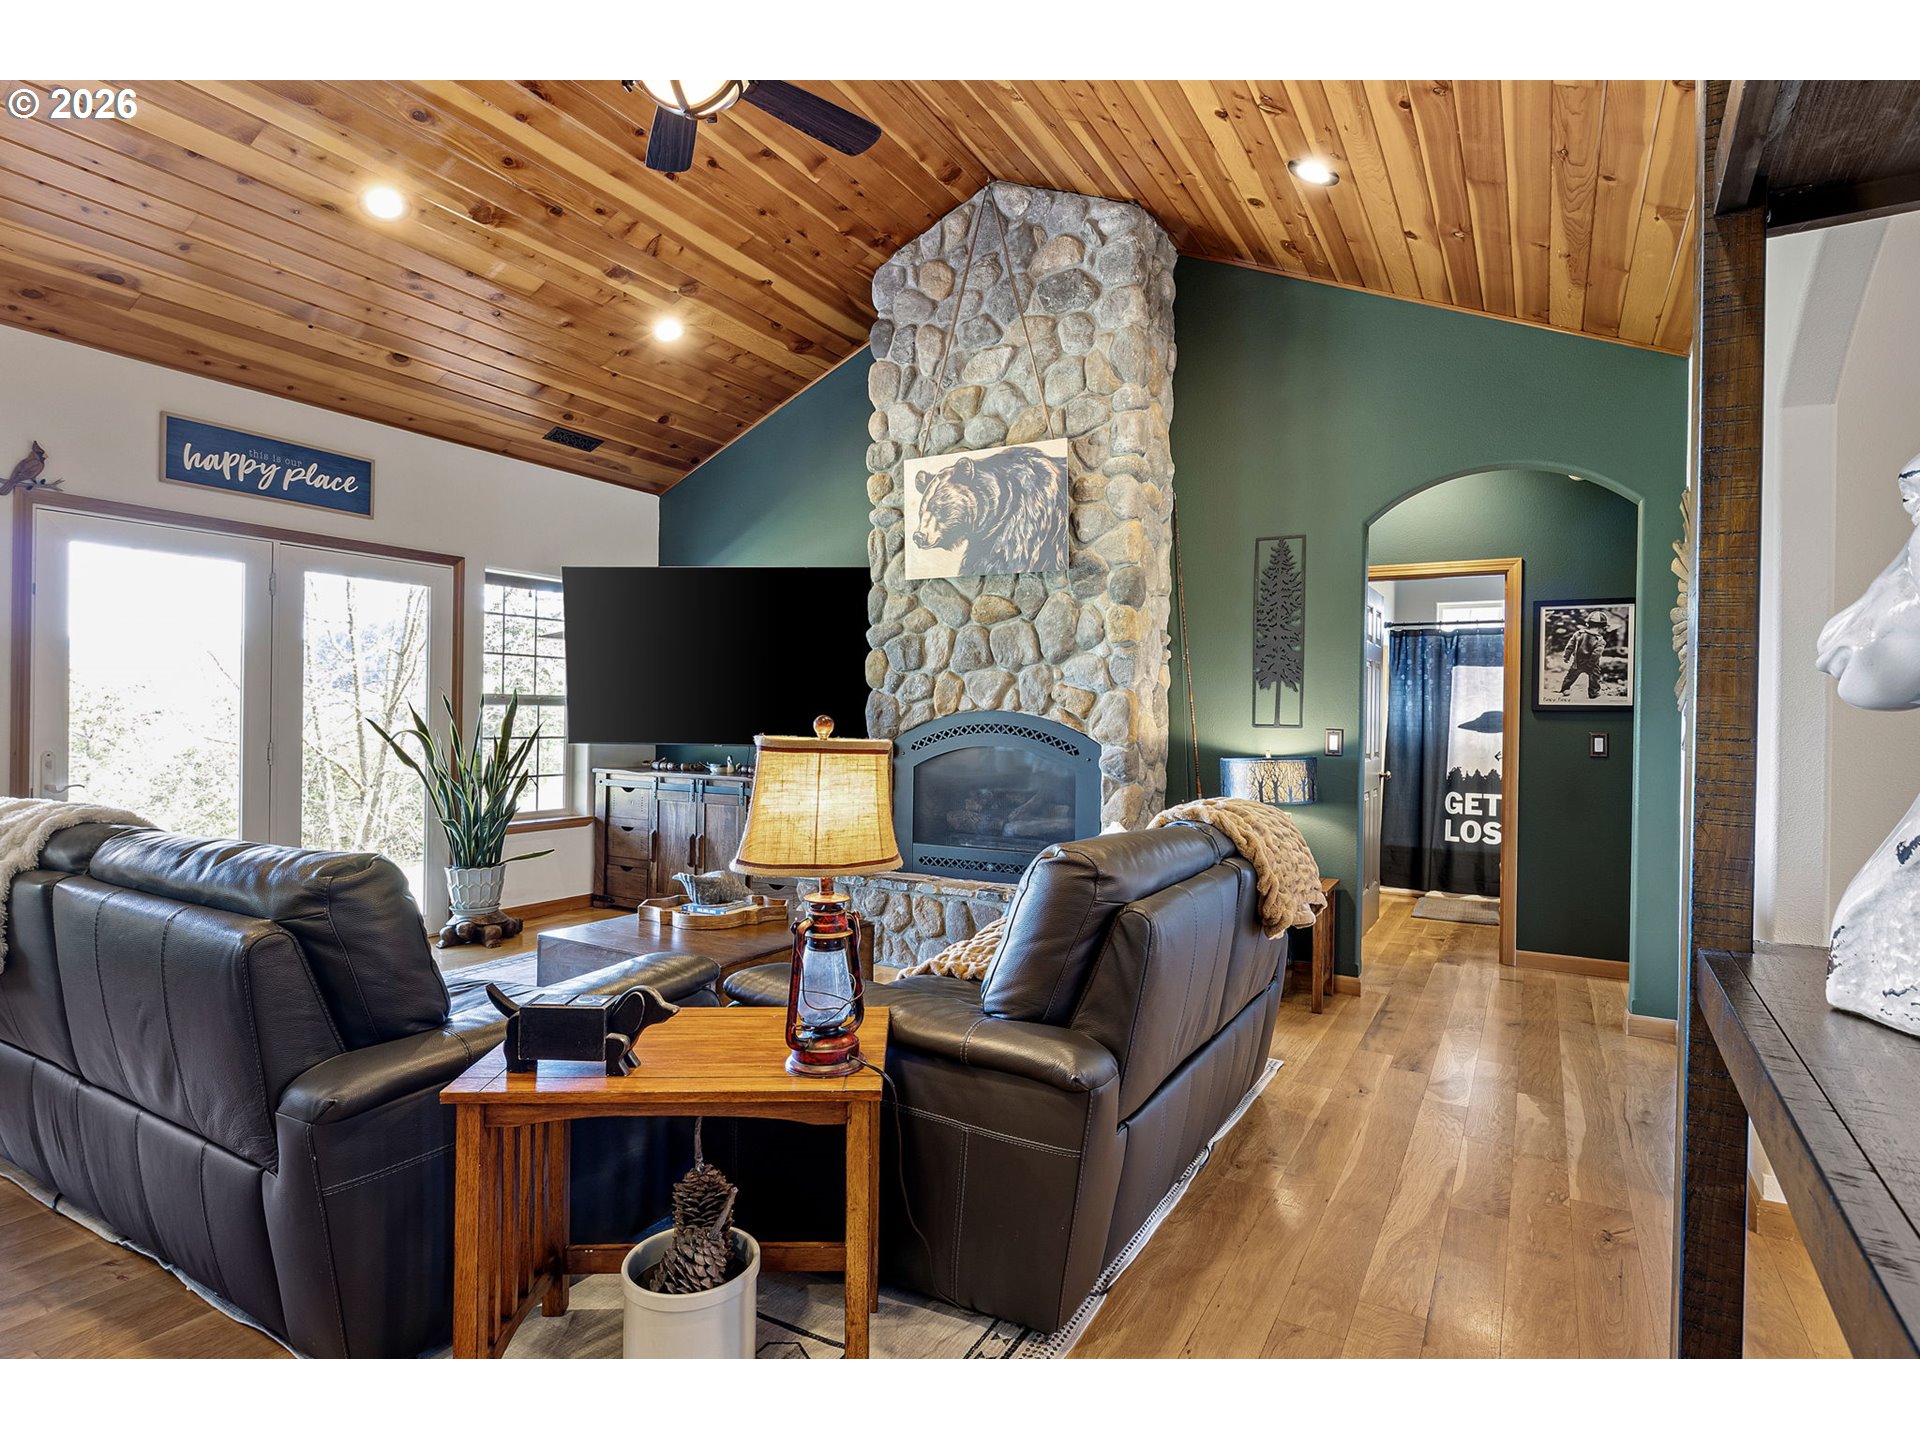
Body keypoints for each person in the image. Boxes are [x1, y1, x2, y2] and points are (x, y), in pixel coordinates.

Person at [1560, 613, 1610, 698]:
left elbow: (1570, 646)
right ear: (1601, 628)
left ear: (1588, 624)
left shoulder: (1578, 634)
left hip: (1578, 661)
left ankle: (1565, 689)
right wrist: (1590, 665)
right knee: (1594, 677)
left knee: (1571, 675)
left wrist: (1566, 656)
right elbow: (1596, 654)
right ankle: (1593, 693)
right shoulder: (1600, 640)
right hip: (1592, 663)